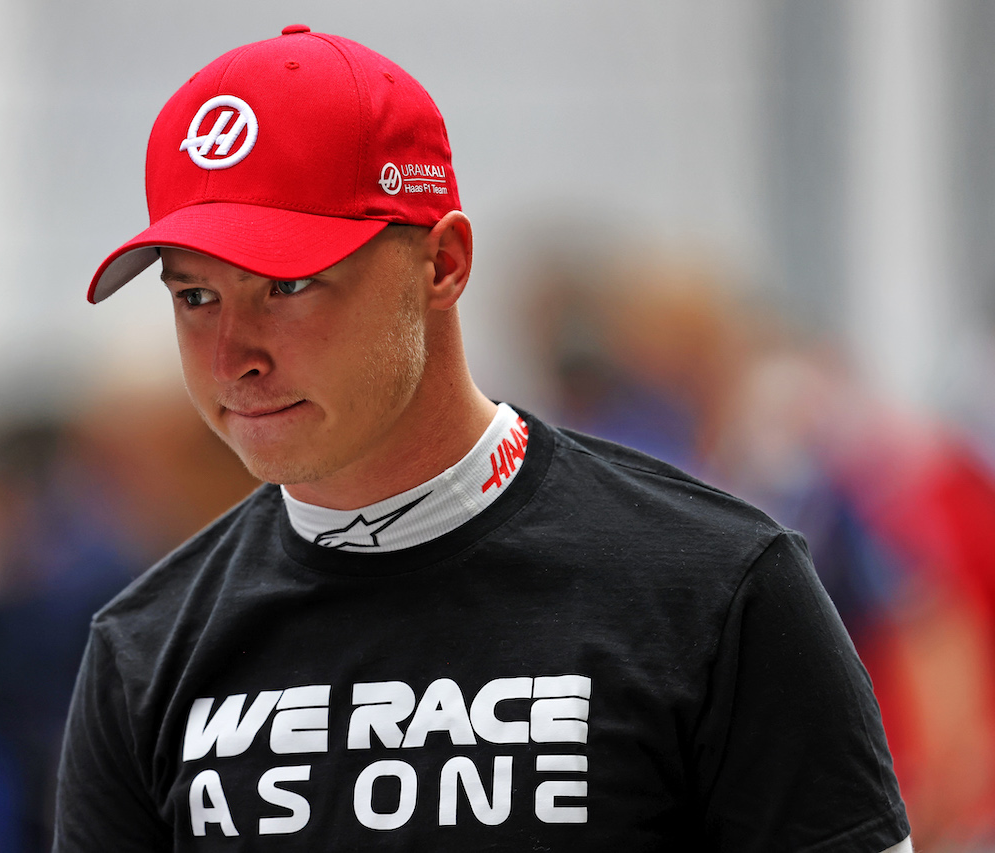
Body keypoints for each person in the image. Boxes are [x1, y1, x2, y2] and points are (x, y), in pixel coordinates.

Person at [55, 26, 912, 852]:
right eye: (194, 297)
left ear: (443, 264)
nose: (233, 356)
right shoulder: (143, 649)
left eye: (288, 284)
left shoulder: (719, 592)